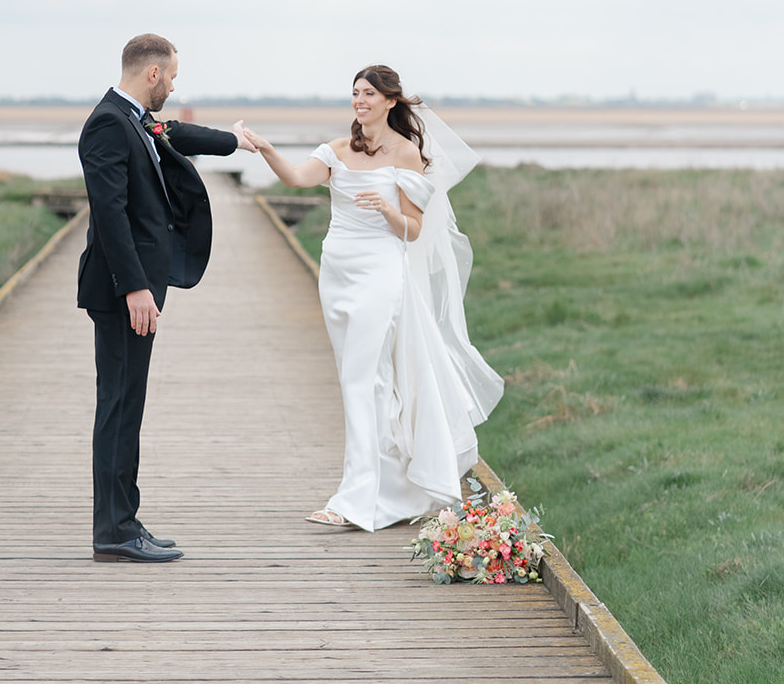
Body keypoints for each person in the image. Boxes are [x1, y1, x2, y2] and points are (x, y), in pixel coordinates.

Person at [244, 65, 503, 531]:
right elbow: (297, 179)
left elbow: (414, 229)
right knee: (365, 381)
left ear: (390, 101)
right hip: (337, 273)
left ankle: (355, 499)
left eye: (369, 94)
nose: (359, 100)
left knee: (361, 382)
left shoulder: (407, 154)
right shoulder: (339, 150)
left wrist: (387, 209)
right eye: (355, 93)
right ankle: (394, 488)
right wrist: (265, 149)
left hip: (381, 273)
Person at [77, 33, 258, 562]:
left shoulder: (132, 116)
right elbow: (109, 212)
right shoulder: (109, 123)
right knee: (117, 406)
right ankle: (112, 531)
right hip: (121, 293)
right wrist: (134, 286)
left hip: (137, 289)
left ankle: (125, 520)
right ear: (152, 73)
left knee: (129, 404)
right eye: (173, 76)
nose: (175, 86)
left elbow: (175, 131)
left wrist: (233, 141)